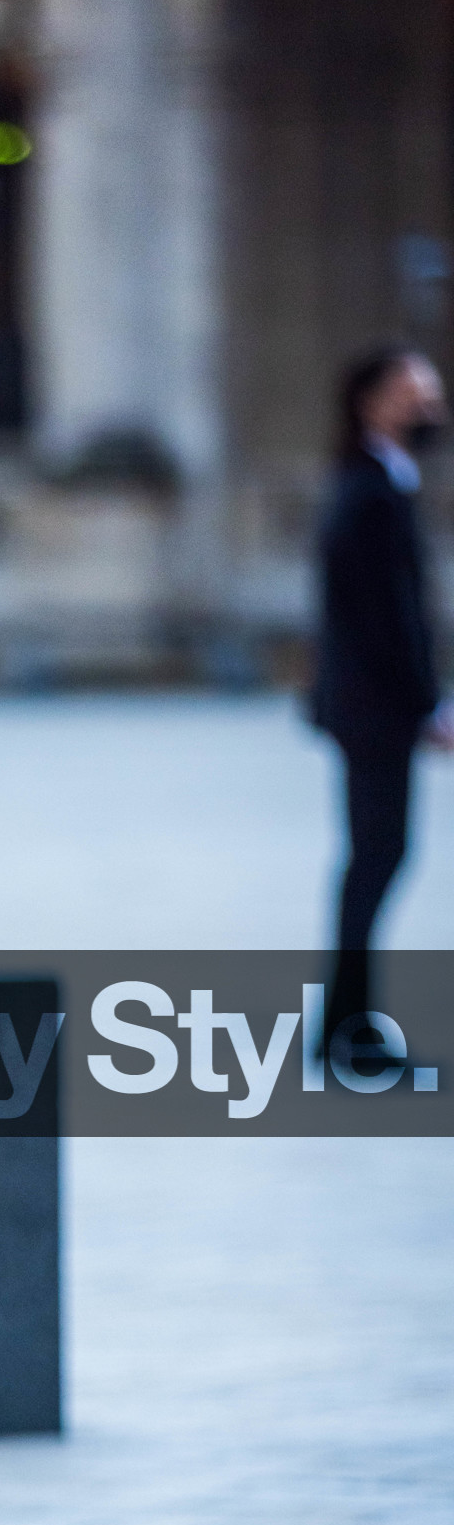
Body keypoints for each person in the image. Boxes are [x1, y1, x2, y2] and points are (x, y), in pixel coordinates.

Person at [314, 346, 451, 1042]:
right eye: (414, 393)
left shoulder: (375, 482)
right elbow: (386, 618)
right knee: (378, 856)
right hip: (376, 710)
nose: (430, 405)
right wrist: (429, 704)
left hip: (368, 707)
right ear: (371, 402)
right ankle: (348, 1025)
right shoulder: (370, 491)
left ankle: (346, 1019)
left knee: (376, 856)